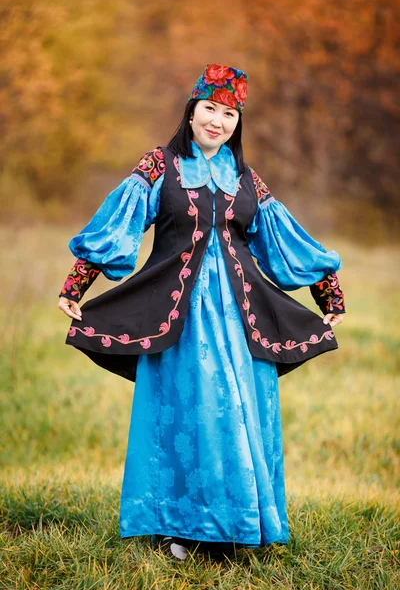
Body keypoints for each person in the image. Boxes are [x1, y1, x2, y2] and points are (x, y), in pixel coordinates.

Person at [58, 64, 345, 560]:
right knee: (189, 413)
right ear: (191, 112)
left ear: (238, 122)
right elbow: (120, 224)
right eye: (209, 109)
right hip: (181, 320)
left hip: (242, 318)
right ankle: (182, 527)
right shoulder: (159, 166)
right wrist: (77, 282)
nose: (218, 120)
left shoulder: (246, 179)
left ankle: (241, 525)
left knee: (243, 414)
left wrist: (329, 295)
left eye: (229, 113)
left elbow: (282, 240)